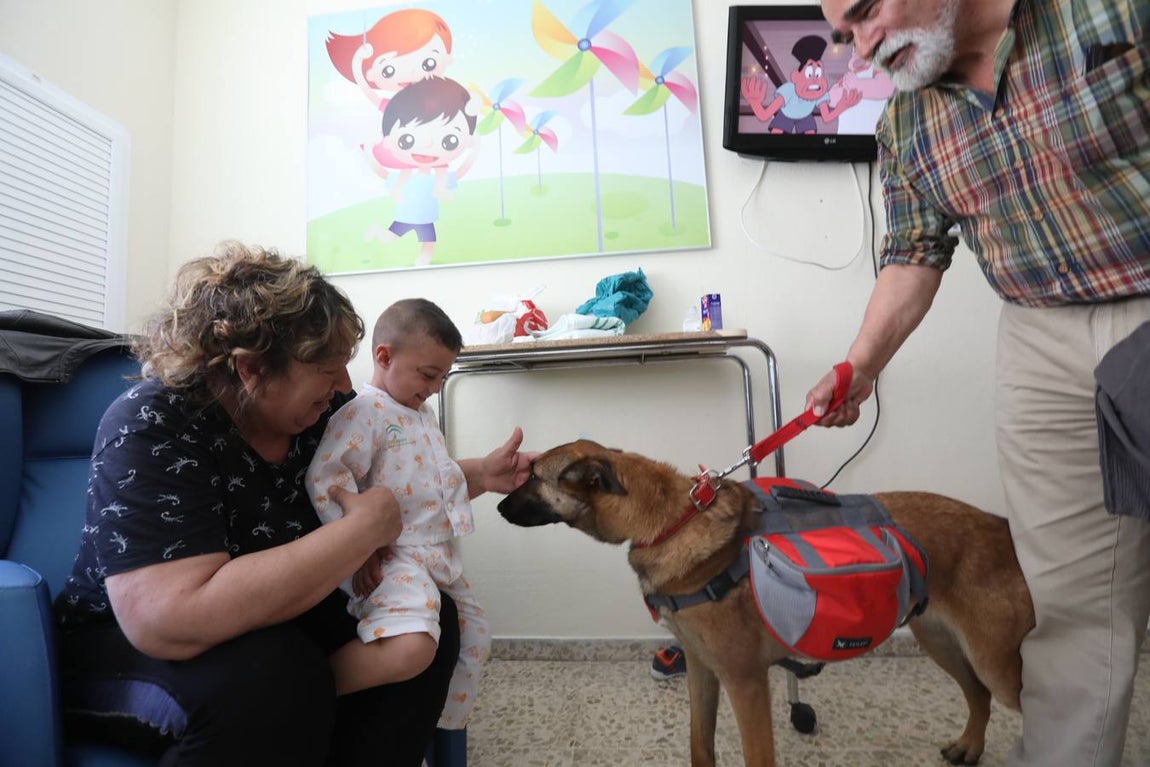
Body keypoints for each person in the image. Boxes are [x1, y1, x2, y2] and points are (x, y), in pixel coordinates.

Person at [811, 2, 1149, 766]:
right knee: (1071, 603)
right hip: (1037, 331)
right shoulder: (904, 126)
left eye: (864, 12)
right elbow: (912, 253)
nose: (861, 44)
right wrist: (859, 365)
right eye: (843, 34)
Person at [52, 242, 535, 766]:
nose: (345, 385)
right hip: (121, 644)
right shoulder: (154, 423)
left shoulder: (326, 416)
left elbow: (402, 483)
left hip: (275, 614)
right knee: (276, 676)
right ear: (252, 368)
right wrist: (359, 534)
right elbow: (169, 619)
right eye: (327, 370)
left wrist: (480, 473)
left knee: (420, 620)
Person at [305, 298, 491, 730]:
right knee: (415, 641)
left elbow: (437, 480)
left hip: (435, 552)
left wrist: (483, 476)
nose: (433, 387)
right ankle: (311, 692)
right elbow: (327, 482)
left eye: (443, 378)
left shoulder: (424, 417)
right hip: (391, 555)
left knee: (477, 634)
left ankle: (441, 727)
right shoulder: (362, 412)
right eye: (428, 375)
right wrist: (355, 549)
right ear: (384, 356)